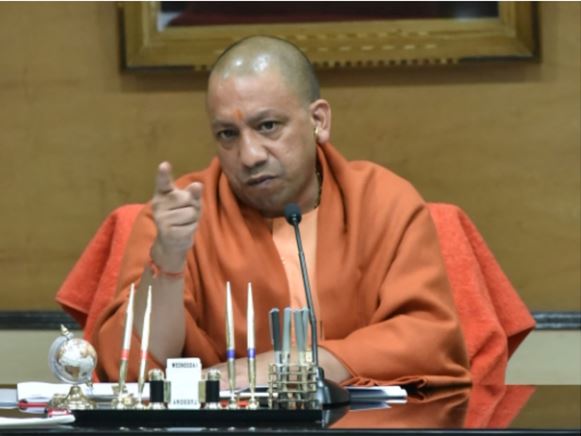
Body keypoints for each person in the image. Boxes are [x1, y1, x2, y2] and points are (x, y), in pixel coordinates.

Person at [92, 35, 471, 388]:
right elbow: (131, 368)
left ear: (318, 121)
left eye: (268, 126)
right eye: (227, 134)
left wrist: (297, 365)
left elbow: (429, 338)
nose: (249, 156)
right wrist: (169, 260)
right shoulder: (181, 218)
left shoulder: (383, 201)